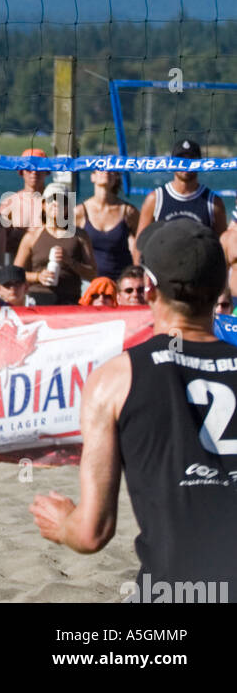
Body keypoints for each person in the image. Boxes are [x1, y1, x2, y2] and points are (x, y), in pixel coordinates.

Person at [31, 217, 237, 599]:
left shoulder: (115, 378)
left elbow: (92, 533)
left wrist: (62, 525)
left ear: (148, 291)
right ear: (221, 289)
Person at [14, 184, 97, 305]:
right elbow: (16, 274)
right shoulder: (32, 237)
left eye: (61, 200)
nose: (55, 203)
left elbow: (93, 274)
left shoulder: (80, 236)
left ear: (67, 207)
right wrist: (38, 277)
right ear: (43, 205)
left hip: (69, 299)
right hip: (39, 298)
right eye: (50, 200)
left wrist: (70, 262)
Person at [135, 139, 227, 240]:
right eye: (180, 159)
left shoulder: (214, 202)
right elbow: (139, 245)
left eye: (191, 158)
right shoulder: (155, 199)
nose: (185, 163)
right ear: (172, 162)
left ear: (200, 163)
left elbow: (223, 246)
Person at [77, 170, 139, 280]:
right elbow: (65, 243)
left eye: (111, 170)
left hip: (121, 281)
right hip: (89, 282)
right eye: (101, 168)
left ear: (116, 177)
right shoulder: (79, 212)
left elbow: (141, 244)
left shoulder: (129, 211)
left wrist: (138, 273)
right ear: (92, 176)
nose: (106, 171)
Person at [0, 149, 48, 262]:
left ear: (46, 171)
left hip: (45, 264)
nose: (34, 172)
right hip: (17, 264)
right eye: (29, 168)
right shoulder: (10, 203)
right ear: (22, 172)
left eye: (38, 168)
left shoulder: (55, 203)